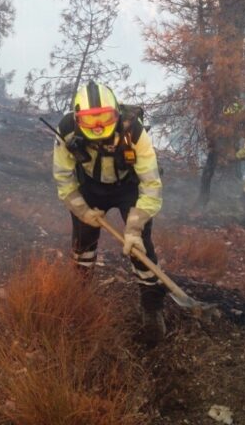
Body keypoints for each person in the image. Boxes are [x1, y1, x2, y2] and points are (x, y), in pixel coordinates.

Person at [52, 81, 166, 344]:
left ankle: (151, 308)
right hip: (89, 187)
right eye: (90, 120)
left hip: (129, 188)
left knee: (141, 249)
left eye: (104, 117)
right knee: (83, 245)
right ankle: (80, 295)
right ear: (78, 118)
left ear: (115, 112)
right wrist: (82, 210)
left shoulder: (135, 132)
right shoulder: (66, 130)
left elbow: (151, 185)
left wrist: (135, 227)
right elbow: (63, 178)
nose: (98, 126)